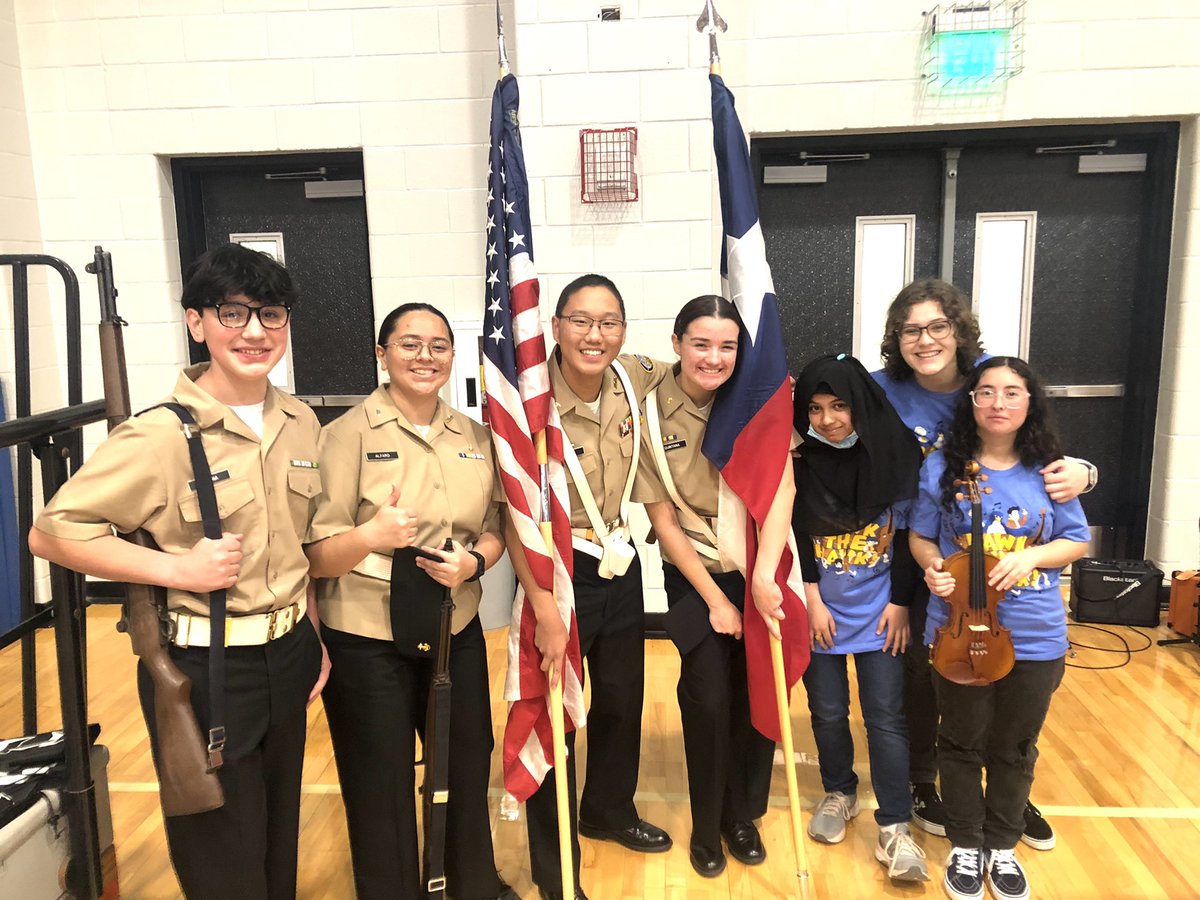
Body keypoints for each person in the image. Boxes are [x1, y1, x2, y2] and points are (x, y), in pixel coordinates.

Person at [29, 244, 326, 899]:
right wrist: (176, 568)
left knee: (278, 842)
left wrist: (312, 633)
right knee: (222, 857)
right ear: (196, 322)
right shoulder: (160, 434)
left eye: (271, 314)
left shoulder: (300, 422)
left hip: (290, 654)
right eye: (233, 313)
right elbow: (52, 532)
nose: (254, 332)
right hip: (207, 669)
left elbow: (298, 546)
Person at [873, 278, 1094, 848]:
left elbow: (1035, 443)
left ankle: (1009, 799)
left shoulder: (986, 382)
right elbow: (823, 414)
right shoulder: (880, 389)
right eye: (910, 330)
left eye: (937, 327)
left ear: (959, 330)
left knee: (1012, 694)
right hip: (920, 543)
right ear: (895, 338)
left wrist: (1084, 471)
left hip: (1009, 565)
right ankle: (928, 782)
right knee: (930, 673)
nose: (925, 340)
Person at [304, 302, 514, 900]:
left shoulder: (474, 436)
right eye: (409, 344)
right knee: (380, 776)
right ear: (382, 353)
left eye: (438, 345)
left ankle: (472, 885)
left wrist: (476, 562)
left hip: (453, 623)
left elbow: (495, 529)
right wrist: (371, 535)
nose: (426, 356)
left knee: (466, 760)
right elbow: (316, 555)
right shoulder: (343, 436)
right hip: (368, 633)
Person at [508, 274, 670, 900]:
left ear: (624, 331)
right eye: (580, 321)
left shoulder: (634, 376)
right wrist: (543, 603)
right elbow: (512, 513)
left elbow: (704, 372)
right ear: (555, 327)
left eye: (608, 323)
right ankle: (557, 869)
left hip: (619, 563)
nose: (593, 335)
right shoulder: (529, 400)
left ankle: (608, 809)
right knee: (556, 714)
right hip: (557, 568)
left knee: (623, 699)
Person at [909, 357, 1089, 900]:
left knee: (1015, 745)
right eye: (985, 392)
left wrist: (1031, 556)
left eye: (1012, 392)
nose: (998, 403)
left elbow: (1076, 540)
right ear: (971, 402)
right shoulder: (942, 467)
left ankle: (1003, 845)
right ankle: (966, 843)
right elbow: (921, 537)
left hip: (1034, 633)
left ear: (1030, 402)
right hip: (956, 629)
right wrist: (932, 567)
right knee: (960, 740)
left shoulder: (1051, 471)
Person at [634, 295, 789, 879]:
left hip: (757, 569)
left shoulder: (757, 400)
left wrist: (764, 576)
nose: (714, 357)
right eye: (701, 343)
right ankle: (706, 825)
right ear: (676, 343)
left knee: (754, 695)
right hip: (694, 575)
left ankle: (740, 816)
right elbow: (664, 522)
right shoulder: (649, 414)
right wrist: (717, 601)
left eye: (727, 346)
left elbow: (782, 489)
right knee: (707, 698)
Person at [790, 353, 928, 882]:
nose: (827, 420)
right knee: (827, 712)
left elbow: (911, 535)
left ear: (860, 406)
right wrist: (811, 600)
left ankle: (895, 824)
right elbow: (796, 535)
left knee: (885, 717)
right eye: (815, 408)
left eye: (839, 406)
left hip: (882, 615)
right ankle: (839, 792)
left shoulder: (896, 453)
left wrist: (900, 604)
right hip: (820, 612)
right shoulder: (799, 463)